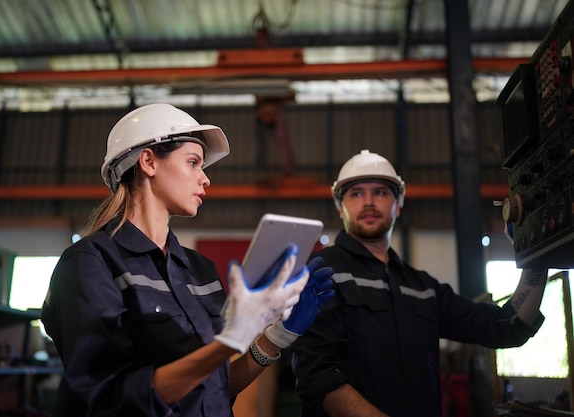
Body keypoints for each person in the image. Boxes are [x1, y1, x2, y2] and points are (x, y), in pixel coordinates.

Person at [40, 103, 335, 417]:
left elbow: (213, 391)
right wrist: (231, 340)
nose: (205, 179)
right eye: (194, 162)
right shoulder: (89, 264)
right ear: (149, 161)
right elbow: (113, 399)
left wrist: (276, 337)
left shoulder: (199, 270)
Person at [289, 149, 548, 417]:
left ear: (397, 204)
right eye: (356, 193)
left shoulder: (422, 288)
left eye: (380, 192)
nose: (368, 202)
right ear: (340, 206)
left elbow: (505, 327)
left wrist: (535, 253)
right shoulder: (322, 274)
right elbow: (315, 375)